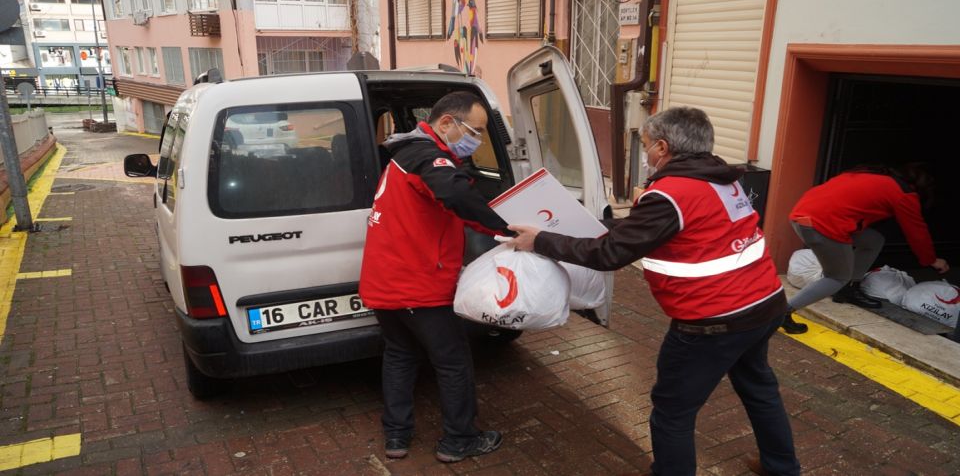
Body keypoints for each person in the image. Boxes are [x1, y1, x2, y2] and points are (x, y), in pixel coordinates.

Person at [507, 107, 800, 476]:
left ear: (662, 147)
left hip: (712, 322)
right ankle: (782, 467)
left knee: (673, 411)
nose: (645, 154)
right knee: (759, 389)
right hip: (764, 304)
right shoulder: (722, 179)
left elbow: (610, 254)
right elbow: (655, 227)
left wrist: (541, 241)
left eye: (645, 145)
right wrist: (590, 224)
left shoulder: (670, 192)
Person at [359, 91, 509, 463]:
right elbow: (456, 195)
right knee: (453, 361)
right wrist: (506, 229)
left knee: (399, 355)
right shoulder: (429, 157)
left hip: (383, 283)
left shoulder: (403, 155)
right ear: (446, 123)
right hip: (419, 287)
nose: (477, 140)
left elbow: (447, 204)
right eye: (474, 131)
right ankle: (459, 439)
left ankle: (396, 435)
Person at [780, 164, 950, 334]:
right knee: (837, 277)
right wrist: (931, 260)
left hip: (801, 217)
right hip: (824, 225)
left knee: (873, 241)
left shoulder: (867, 175)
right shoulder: (903, 194)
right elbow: (916, 232)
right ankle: (782, 312)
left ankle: (847, 289)